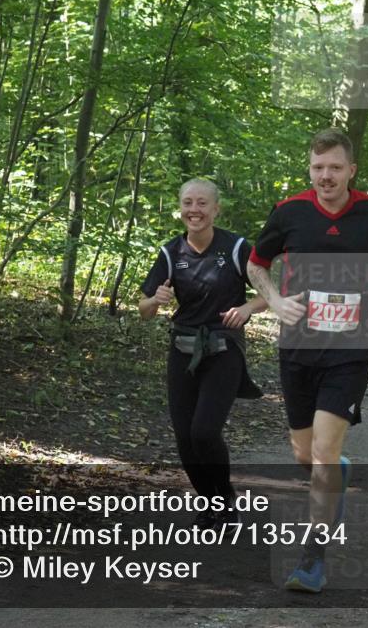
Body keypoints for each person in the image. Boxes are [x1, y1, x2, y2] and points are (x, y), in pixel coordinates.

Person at [247, 129, 368, 593]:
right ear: (310, 169)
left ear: (351, 170)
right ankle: (335, 472)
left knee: (323, 453)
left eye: (335, 168)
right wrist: (275, 300)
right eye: (318, 168)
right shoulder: (288, 212)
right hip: (298, 347)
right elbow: (255, 263)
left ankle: (312, 559)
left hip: (351, 347)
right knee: (306, 454)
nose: (326, 176)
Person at [139, 179, 267, 529]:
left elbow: (272, 292)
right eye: (187, 203)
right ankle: (208, 502)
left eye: (202, 204)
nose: (194, 210)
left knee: (204, 432)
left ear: (216, 209)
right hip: (182, 350)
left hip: (224, 349)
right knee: (184, 436)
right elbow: (144, 307)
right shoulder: (171, 252)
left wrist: (247, 308)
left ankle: (226, 503)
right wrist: (155, 301)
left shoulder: (237, 247)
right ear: (180, 208)